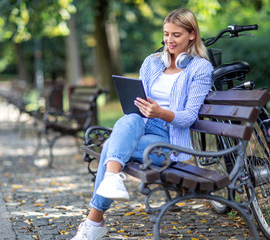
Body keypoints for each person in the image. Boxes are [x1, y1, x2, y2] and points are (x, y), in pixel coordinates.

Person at [72, 8, 213, 240]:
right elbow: (137, 102)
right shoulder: (152, 62)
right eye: (166, 34)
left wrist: (160, 112)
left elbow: (188, 117)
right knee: (130, 117)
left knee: (110, 149)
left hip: (169, 139)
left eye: (176, 35)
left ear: (192, 34)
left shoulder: (200, 68)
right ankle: (103, 202)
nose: (169, 40)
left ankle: (94, 221)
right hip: (140, 125)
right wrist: (143, 109)